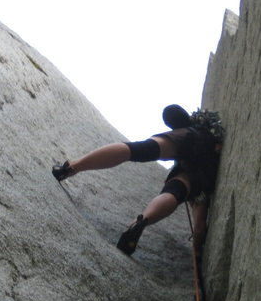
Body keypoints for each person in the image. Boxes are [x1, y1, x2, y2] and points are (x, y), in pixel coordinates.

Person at [52, 105, 224, 255]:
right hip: (205, 170)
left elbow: (171, 111)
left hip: (187, 138)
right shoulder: (209, 134)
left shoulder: (186, 130)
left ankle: (73, 167)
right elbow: (200, 227)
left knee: (135, 150)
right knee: (176, 191)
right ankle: (141, 221)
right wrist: (196, 249)